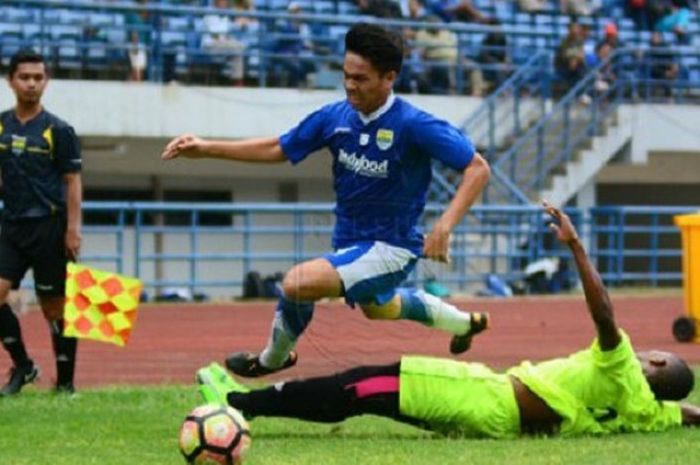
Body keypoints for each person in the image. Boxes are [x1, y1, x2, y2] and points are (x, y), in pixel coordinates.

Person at [196, 202, 700, 438]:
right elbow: (691, 413)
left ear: (653, 361)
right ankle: (248, 403)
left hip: (485, 398)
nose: (637, 352)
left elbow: (604, 312)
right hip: (498, 414)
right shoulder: (649, 411)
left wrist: (575, 245)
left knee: (359, 388)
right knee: (367, 391)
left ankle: (239, 403)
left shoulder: (625, 372)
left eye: (648, 355)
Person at [162, 23, 491, 378]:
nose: (350, 84)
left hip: (391, 247)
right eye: (346, 75)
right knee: (379, 308)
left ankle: (272, 359)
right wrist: (207, 148)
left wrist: (444, 226)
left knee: (298, 283)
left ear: (389, 77)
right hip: (351, 240)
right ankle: (463, 324)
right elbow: (279, 147)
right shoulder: (335, 117)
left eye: (361, 78)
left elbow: (477, 168)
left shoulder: (414, 124)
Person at [0, 49, 83, 395]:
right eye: (25, 77)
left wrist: (73, 230)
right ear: (11, 81)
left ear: (45, 82)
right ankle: (23, 365)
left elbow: (72, 181)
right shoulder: (1, 125)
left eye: (38, 78)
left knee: (54, 308)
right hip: (11, 227)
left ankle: (65, 384)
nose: (32, 84)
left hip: (49, 228)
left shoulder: (59, 130)